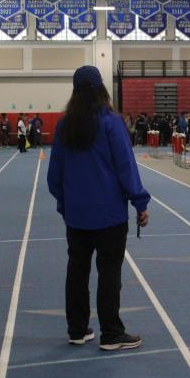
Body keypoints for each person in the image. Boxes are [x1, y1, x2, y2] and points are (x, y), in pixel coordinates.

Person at [47, 66, 148, 351]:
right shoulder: (111, 122)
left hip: (76, 217)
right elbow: (126, 167)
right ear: (101, 89)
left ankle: (77, 329)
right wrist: (139, 202)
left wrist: (65, 205)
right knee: (109, 273)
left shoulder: (65, 125)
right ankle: (112, 333)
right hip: (110, 215)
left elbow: (54, 177)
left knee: (76, 272)